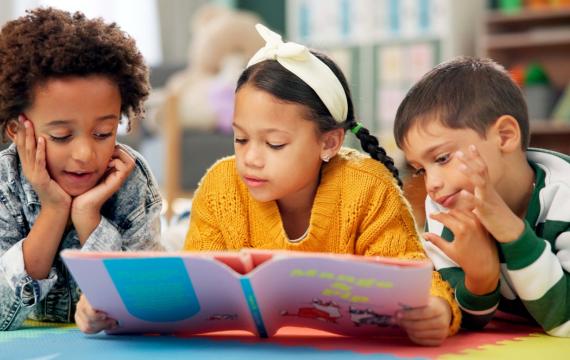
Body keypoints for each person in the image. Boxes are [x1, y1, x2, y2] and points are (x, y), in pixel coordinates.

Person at [177, 24, 459, 346]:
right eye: (240, 138)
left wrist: (436, 309)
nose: (250, 158)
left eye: (275, 143)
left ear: (329, 143)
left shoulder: (367, 187)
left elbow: (413, 272)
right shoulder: (221, 186)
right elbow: (196, 283)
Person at [0, 8, 163, 331]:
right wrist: (54, 209)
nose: (86, 154)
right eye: (61, 136)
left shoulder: (129, 177)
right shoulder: (6, 183)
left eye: (104, 133)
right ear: (16, 131)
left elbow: (148, 303)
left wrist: (89, 217)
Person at [393, 56, 570, 337]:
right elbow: (463, 318)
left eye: (442, 158)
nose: (432, 185)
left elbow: (565, 322)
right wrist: (480, 278)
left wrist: (511, 231)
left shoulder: (565, 198)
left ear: (504, 136)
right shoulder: (444, 205)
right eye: (420, 170)